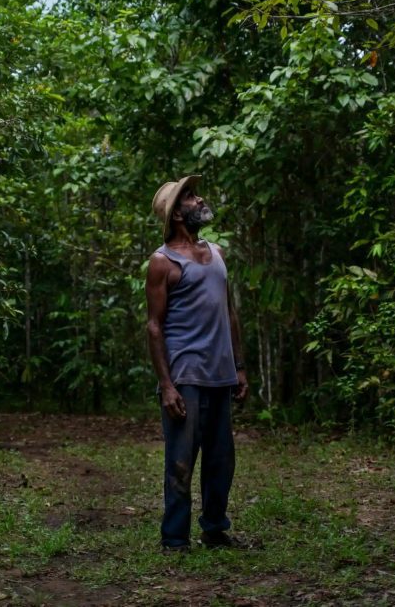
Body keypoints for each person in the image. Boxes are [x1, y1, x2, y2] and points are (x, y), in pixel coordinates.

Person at [145, 175, 248, 551]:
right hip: (185, 374)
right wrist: (167, 385)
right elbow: (154, 327)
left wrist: (239, 366)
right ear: (176, 215)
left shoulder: (217, 252)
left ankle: (214, 529)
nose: (198, 198)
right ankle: (174, 538)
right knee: (181, 461)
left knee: (221, 459)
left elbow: (230, 312)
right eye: (189, 197)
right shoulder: (162, 262)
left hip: (220, 373)